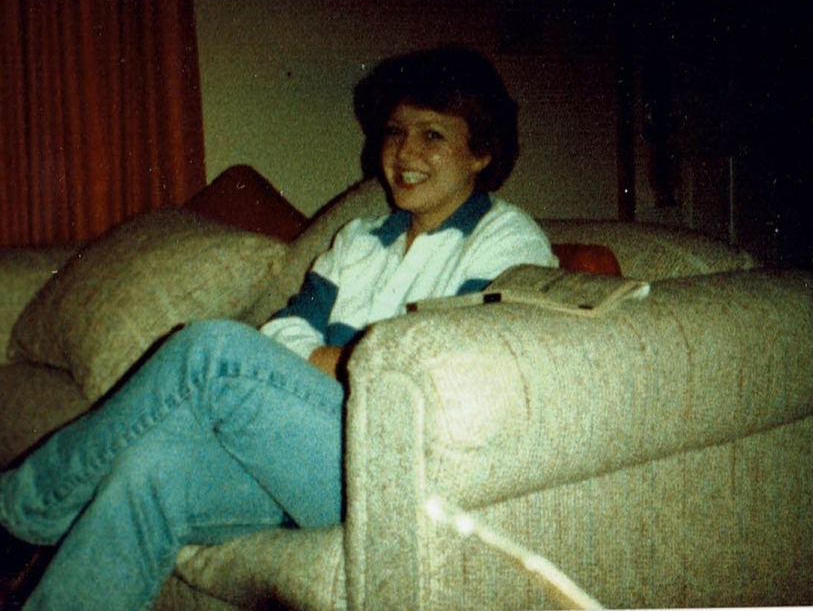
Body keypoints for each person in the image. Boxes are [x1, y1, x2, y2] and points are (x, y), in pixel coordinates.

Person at [0, 46, 557, 610]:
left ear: (481, 152)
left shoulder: (507, 241)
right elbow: (283, 332)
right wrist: (344, 364)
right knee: (145, 471)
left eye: (432, 135)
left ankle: (18, 516)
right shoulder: (359, 240)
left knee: (211, 349)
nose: (406, 152)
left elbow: (442, 369)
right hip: (303, 457)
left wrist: (328, 362)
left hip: (399, 473)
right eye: (395, 132)